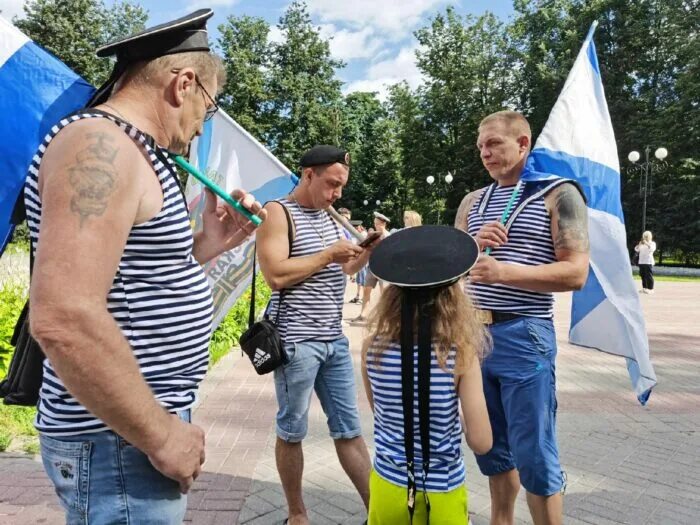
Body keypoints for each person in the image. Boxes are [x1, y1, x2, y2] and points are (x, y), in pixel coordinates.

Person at [24, 10, 266, 524]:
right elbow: (64, 315)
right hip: (117, 438)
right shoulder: (101, 145)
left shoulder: (134, 152)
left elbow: (135, 276)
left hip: (125, 433)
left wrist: (208, 243)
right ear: (184, 84)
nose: (204, 121)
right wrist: (161, 434)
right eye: (210, 105)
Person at [454, 110, 589, 525]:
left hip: (524, 333)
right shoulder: (473, 201)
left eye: (494, 143)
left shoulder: (558, 194)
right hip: (474, 334)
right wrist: (472, 246)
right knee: (492, 448)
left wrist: (506, 272)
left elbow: (576, 272)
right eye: (480, 146)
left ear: (523, 144)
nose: (485, 153)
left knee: (534, 452)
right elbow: (453, 267)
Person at [256, 145, 378, 525]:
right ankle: (297, 514)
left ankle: (379, 513)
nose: (338, 193)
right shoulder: (277, 213)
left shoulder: (331, 217)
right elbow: (275, 275)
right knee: (292, 431)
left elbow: (342, 270)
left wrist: (365, 253)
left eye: (342, 186)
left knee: (350, 430)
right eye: (332, 184)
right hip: (295, 343)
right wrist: (327, 254)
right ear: (308, 175)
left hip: (334, 340)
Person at [361, 225, 492, 524]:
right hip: (442, 492)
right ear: (451, 296)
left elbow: (381, 411)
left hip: (387, 486)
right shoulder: (459, 353)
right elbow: (482, 441)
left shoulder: (372, 348)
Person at [351, 211, 391, 323]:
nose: (375, 225)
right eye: (375, 223)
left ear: (383, 223)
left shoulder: (388, 236)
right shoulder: (373, 235)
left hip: (384, 268)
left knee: (384, 294)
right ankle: (363, 314)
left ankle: (386, 318)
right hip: (372, 266)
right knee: (366, 290)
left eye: (377, 223)